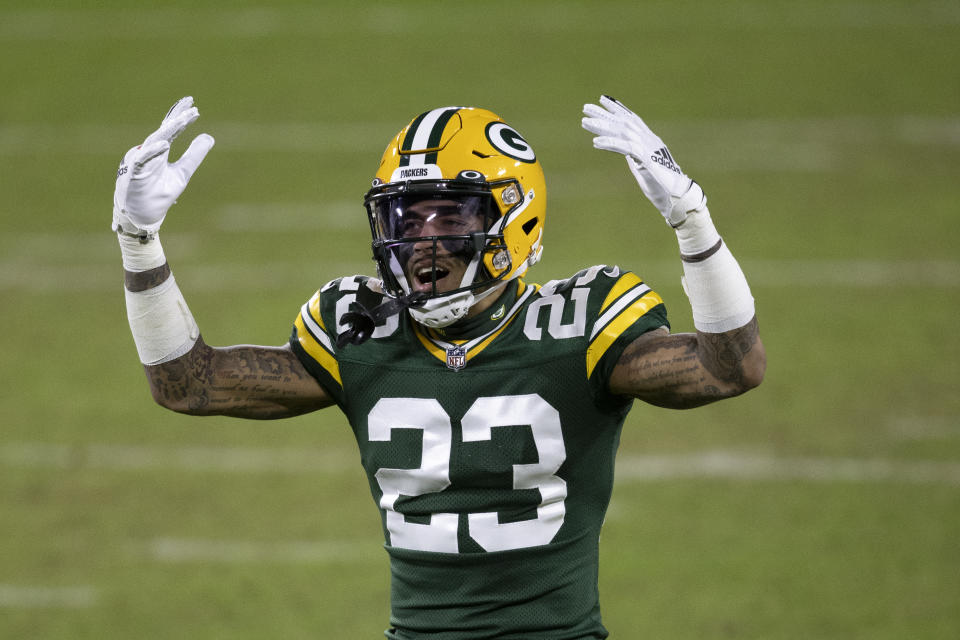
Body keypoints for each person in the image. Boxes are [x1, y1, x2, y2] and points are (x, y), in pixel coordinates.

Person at [112, 95, 765, 639]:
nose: (423, 240)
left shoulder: (579, 326)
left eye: (451, 216)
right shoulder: (360, 329)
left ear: (516, 220)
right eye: (406, 216)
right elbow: (188, 384)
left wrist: (693, 223)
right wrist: (140, 244)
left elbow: (729, 369)